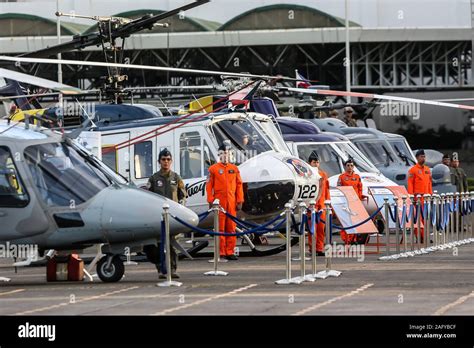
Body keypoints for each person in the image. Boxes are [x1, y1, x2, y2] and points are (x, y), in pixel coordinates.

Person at [147, 148, 186, 279]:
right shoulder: (153, 179)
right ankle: (161, 270)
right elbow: (148, 197)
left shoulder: (176, 177)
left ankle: (173, 269)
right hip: (158, 217)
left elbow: (183, 196)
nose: (166, 162)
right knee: (159, 244)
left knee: (173, 244)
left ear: (171, 161)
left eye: (168, 159)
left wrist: (181, 210)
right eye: (163, 159)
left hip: (173, 217)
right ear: (159, 161)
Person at [206, 143, 244, 260]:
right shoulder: (213, 169)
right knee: (220, 228)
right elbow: (208, 186)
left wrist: (240, 200)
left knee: (231, 227)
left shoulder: (234, 169)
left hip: (231, 202)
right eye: (223, 153)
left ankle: (230, 251)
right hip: (219, 202)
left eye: (227, 153)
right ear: (219, 155)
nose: (225, 155)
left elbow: (239, 185)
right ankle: (221, 252)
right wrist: (211, 200)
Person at [407, 149, 433, 243]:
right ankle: (420, 237)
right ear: (417, 158)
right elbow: (410, 184)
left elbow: (429, 183)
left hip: (426, 198)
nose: (423, 158)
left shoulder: (427, 169)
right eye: (421, 156)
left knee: (426, 218)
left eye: (424, 156)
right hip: (417, 199)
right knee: (418, 218)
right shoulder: (412, 170)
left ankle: (425, 236)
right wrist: (411, 197)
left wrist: (431, 195)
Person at [307, 151, 329, 256]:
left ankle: (319, 248)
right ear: (310, 163)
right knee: (312, 228)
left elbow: (326, 190)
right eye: (314, 162)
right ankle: (312, 248)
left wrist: (328, 203)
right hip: (311, 205)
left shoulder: (323, 174)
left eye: (317, 162)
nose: (316, 164)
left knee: (321, 228)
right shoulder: (307, 175)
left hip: (322, 205)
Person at [337, 159, 363, 244]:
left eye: (351, 165)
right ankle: (346, 239)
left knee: (355, 220)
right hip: (345, 202)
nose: (350, 167)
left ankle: (353, 239)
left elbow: (360, 188)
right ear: (345, 166)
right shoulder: (342, 177)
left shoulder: (357, 177)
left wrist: (359, 199)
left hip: (355, 201)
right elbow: (339, 189)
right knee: (346, 220)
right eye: (348, 165)